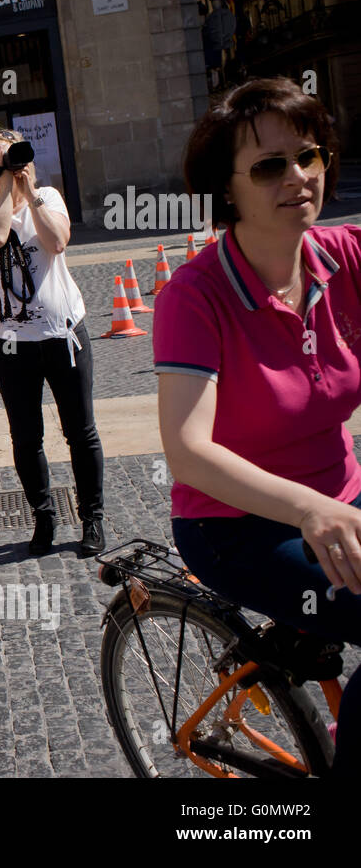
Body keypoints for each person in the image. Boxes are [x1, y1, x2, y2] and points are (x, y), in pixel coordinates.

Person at [156, 77, 361, 777]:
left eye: (309, 155)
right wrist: (308, 507)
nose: (299, 177)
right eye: (270, 166)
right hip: (235, 523)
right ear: (228, 190)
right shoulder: (196, 294)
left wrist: (329, 505)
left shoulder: (347, 257)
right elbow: (187, 450)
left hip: (340, 499)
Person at [0, 127, 105, 557]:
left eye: (13, 160)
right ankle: (43, 518)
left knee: (80, 432)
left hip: (63, 333)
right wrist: (5, 190)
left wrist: (29, 190)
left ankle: (93, 518)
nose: (7, 170)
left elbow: (57, 241)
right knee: (26, 438)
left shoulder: (50, 199)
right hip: (11, 344)